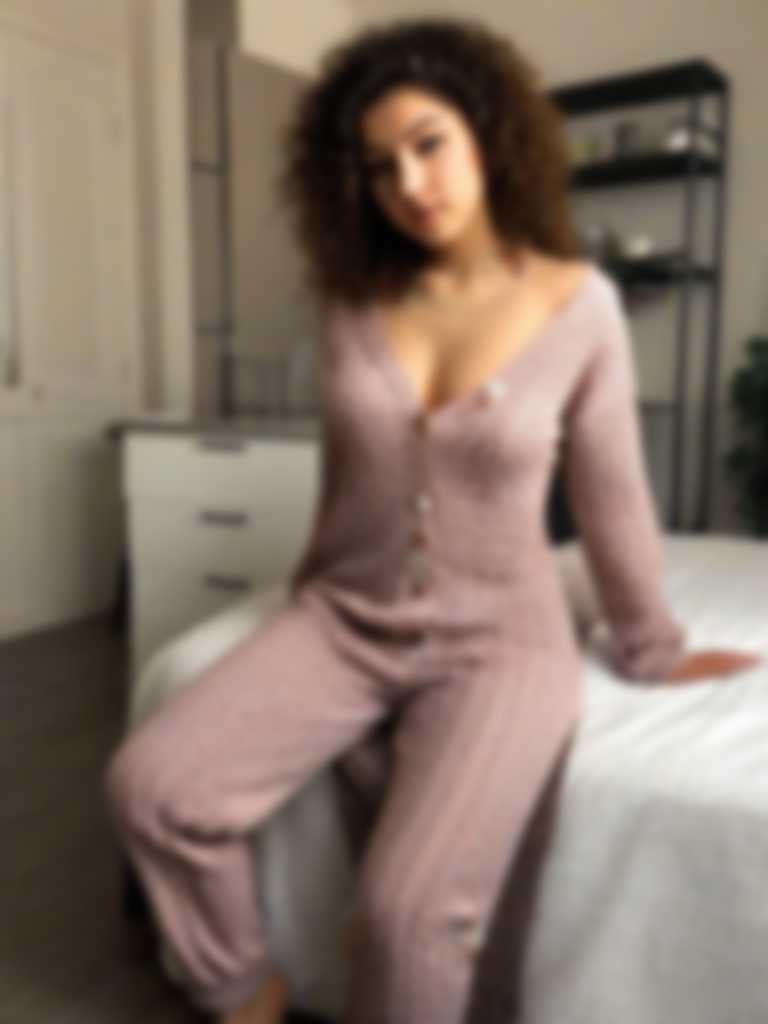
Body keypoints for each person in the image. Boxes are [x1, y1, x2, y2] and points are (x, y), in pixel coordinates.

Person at [102, 16, 760, 1024]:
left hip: (500, 642)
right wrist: (307, 611)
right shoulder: (353, 303)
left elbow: (612, 493)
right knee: (152, 784)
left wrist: (651, 644)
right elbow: (350, 483)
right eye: (380, 167)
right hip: (346, 617)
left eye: (429, 144)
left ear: (488, 135)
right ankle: (244, 987)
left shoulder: (580, 305)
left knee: (406, 917)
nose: (410, 184)